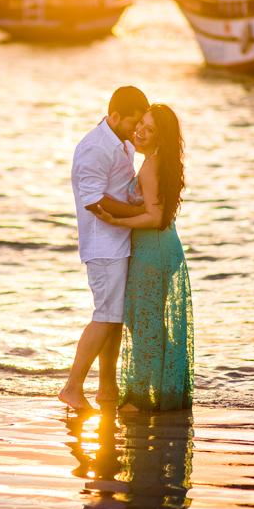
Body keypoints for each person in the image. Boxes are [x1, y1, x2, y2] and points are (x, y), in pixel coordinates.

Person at [92, 104, 193, 412]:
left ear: (160, 137)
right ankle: (160, 393)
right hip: (159, 248)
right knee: (149, 323)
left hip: (154, 250)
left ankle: (140, 400)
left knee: (145, 323)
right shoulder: (159, 161)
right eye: (140, 125)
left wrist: (117, 221)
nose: (140, 132)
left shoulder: (151, 166)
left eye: (149, 129)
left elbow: (155, 216)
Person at [59, 86, 150, 412]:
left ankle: (107, 389)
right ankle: (72, 388)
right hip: (103, 245)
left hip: (119, 241)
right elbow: (94, 200)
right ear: (114, 116)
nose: (136, 128)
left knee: (115, 318)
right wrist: (143, 215)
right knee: (106, 316)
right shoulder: (95, 148)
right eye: (133, 122)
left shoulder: (121, 141)